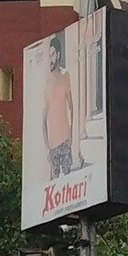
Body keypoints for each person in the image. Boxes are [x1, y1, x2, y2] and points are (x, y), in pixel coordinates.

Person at [42, 32, 77, 178]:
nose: (50, 59)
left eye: (52, 54)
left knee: (68, 178)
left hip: (65, 140)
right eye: (49, 55)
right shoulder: (46, 81)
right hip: (52, 145)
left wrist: (71, 136)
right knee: (55, 182)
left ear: (58, 55)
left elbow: (71, 107)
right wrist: (47, 148)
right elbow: (43, 119)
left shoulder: (65, 75)